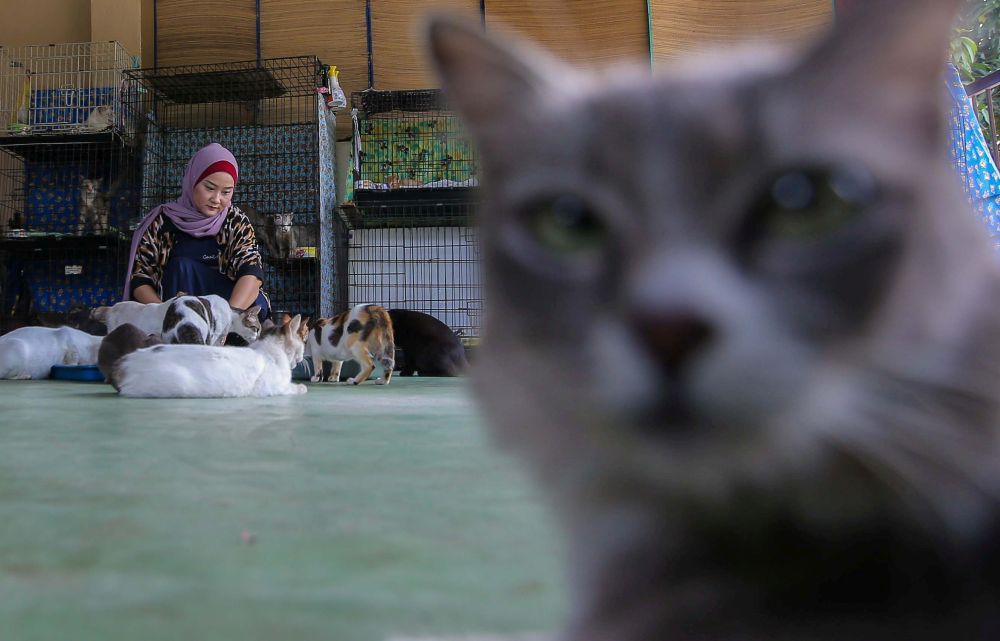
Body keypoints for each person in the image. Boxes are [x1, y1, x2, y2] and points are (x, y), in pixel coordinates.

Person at [122, 143, 270, 320]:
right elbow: (141, 279)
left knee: (255, 301)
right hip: (179, 311)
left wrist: (226, 318)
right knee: (181, 267)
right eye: (209, 188)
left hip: (227, 308)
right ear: (192, 180)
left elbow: (251, 273)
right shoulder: (163, 222)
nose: (216, 199)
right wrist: (165, 316)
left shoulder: (235, 220)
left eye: (226, 192)